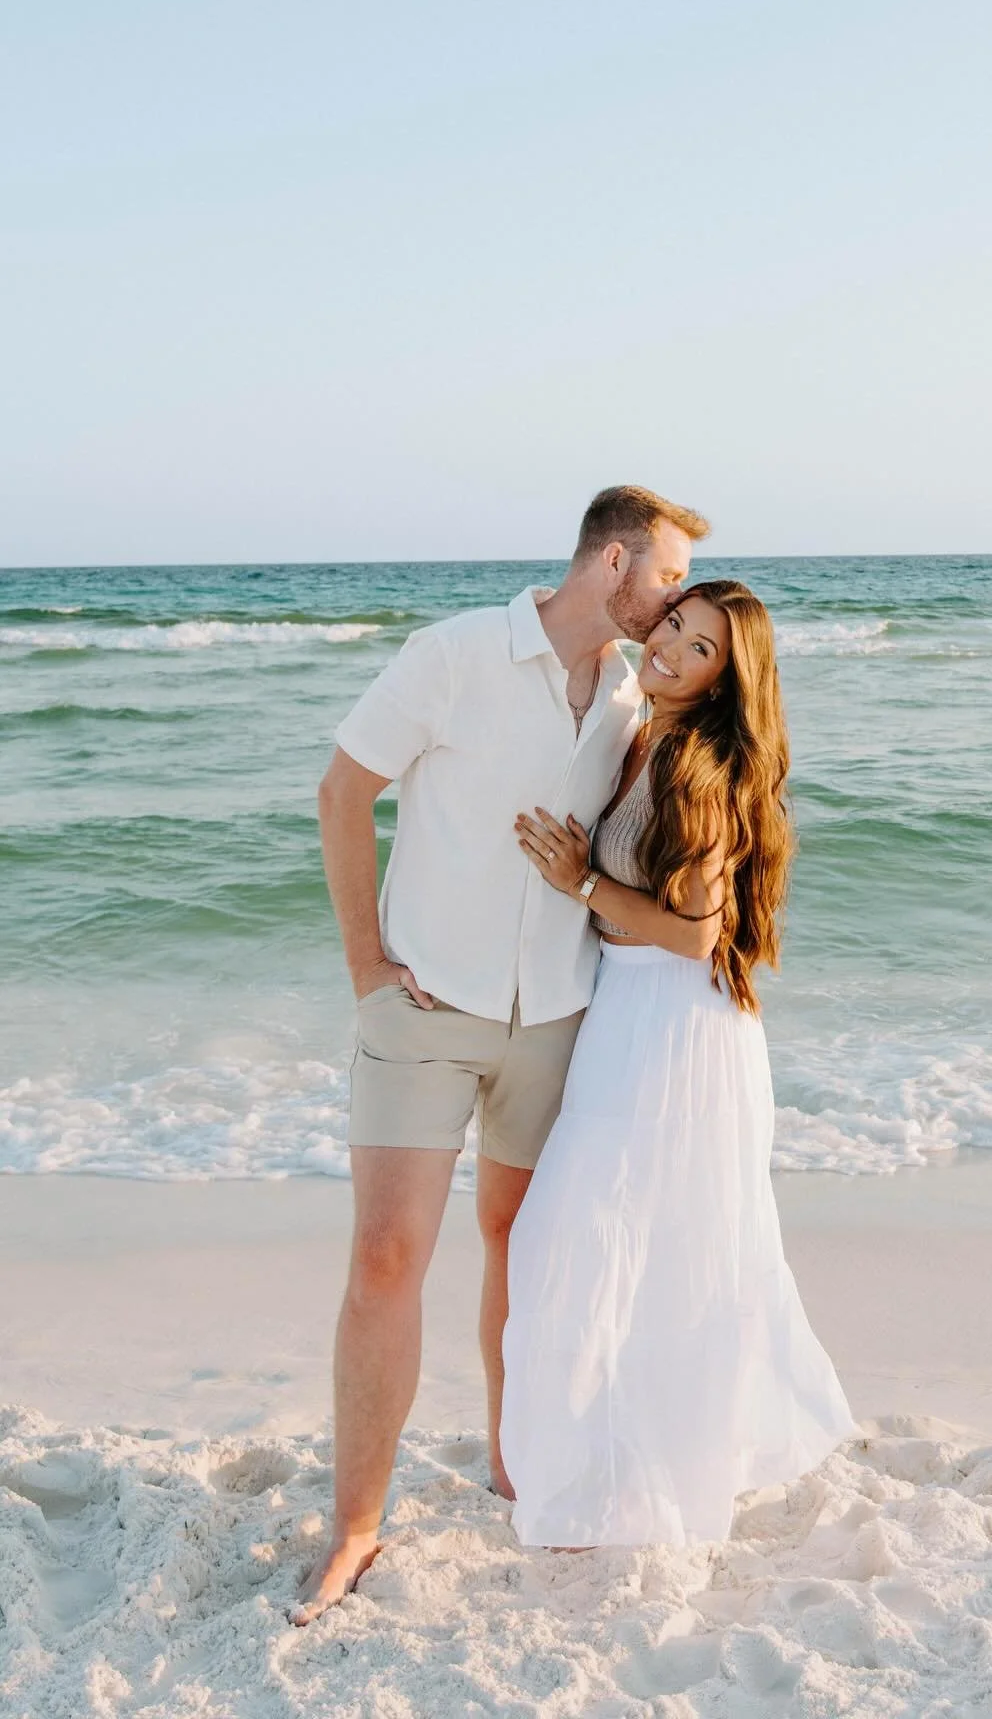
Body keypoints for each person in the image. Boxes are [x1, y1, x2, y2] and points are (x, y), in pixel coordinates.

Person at [291, 486, 709, 1623]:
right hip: (426, 1012)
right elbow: (342, 793)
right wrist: (367, 969)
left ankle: (513, 1462)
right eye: (667, 578)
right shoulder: (457, 653)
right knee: (386, 1258)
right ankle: (357, 1527)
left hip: (561, 1020)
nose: (675, 604)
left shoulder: (633, 690)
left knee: (519, 1253)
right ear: (614, 561)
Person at [504, 580, 854, 1547]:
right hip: (639, 1017)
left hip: (673, 1026)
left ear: (722, 679)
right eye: (673, 625)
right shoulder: (646, 731)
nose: (668, 649)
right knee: (624, 1244)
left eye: (698, 648)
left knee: (606, 1241)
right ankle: (615, 1467)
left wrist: (576, 880)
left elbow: (696, 932)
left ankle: (642, 1480)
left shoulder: (696, 764)